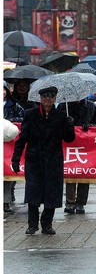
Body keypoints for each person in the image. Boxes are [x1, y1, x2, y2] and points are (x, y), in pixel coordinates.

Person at [11, 86, 75, 235]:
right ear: (40, 98)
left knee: (52, 194)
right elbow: (22, 139)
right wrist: (15, 159)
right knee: (33, 192)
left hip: (53, 161)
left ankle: (47, 224)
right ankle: (32, 224)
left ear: (55, 99)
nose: (48, 99)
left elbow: (69, 139)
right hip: (34, 160)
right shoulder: (30, 115)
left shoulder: (61, 116)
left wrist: (69, 125)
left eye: (51, 96)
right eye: (45, 96)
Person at [57, 98, 96, 214]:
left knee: (85, 172)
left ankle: (81, 203)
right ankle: (70, 202)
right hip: (69, 145)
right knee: (71, 172)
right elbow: (55, 122)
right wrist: (66, 124)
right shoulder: (64, 106)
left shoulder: (92, 107)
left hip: (87, 146)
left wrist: (90, 125)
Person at [3, 82, 24, 213]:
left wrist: (10, 121)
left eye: (3, 89)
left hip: (9, 143)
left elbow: (23, 118)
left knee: (7, 173)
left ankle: (5, 201)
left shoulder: (14, 106)